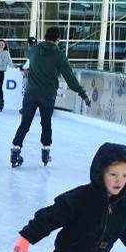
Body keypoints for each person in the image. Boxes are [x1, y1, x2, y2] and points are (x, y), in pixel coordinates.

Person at [10, 27, 90, 167]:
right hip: (47, 95)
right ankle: (45, 151)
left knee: (25, 124)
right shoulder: (59, 55)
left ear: (45, 36)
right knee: (46, 124)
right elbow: (70, 78)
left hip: (31, 93)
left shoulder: (34, 50)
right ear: (58, 38)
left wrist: (32, 46)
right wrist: (82, 94)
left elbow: (27, 53)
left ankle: (15, 151)